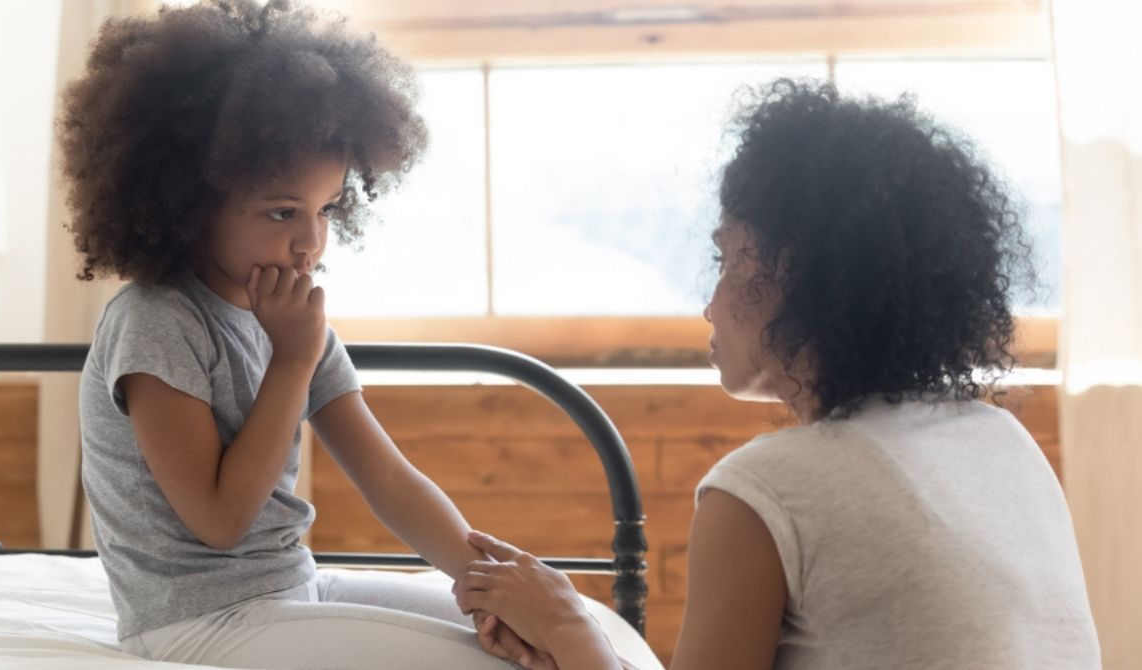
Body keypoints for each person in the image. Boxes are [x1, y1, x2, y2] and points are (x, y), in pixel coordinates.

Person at [454, 79, 1101, 669]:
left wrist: (569, 628)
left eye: (731, 258)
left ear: (798, 277)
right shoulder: (1002, 441)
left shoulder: (766, 489)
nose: (709, 303)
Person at [62, 1, 540, 667]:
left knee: (538, 637)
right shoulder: (156, 322)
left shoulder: (295, 322)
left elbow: (390, 481)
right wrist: (291, 360)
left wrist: (491, 586)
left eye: (327, 208)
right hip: (195, 624)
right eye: (282, 212)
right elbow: (221, 522)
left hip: (291, 587)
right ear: (191, 204)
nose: (311, 241)